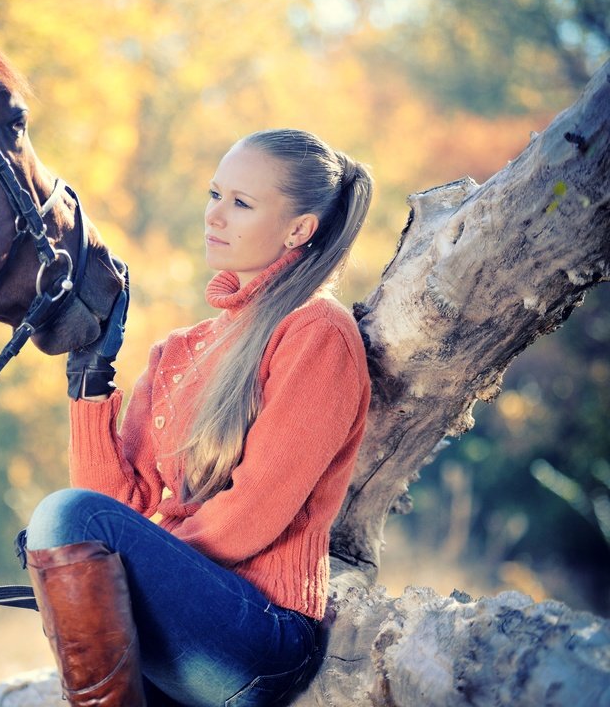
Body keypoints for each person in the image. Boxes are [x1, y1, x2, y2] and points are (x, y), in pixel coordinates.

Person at [23, 128, 374, 707]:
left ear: (299, 230)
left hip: (263, 633)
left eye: (241, 203)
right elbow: (119, 502)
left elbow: (255, 510)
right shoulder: (180, 351)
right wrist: (90, 379)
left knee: (67, 517)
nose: (215, 216)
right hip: (189, 620)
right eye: (215, 195)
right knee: (69, 522)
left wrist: (136, 564)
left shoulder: (317, 333)